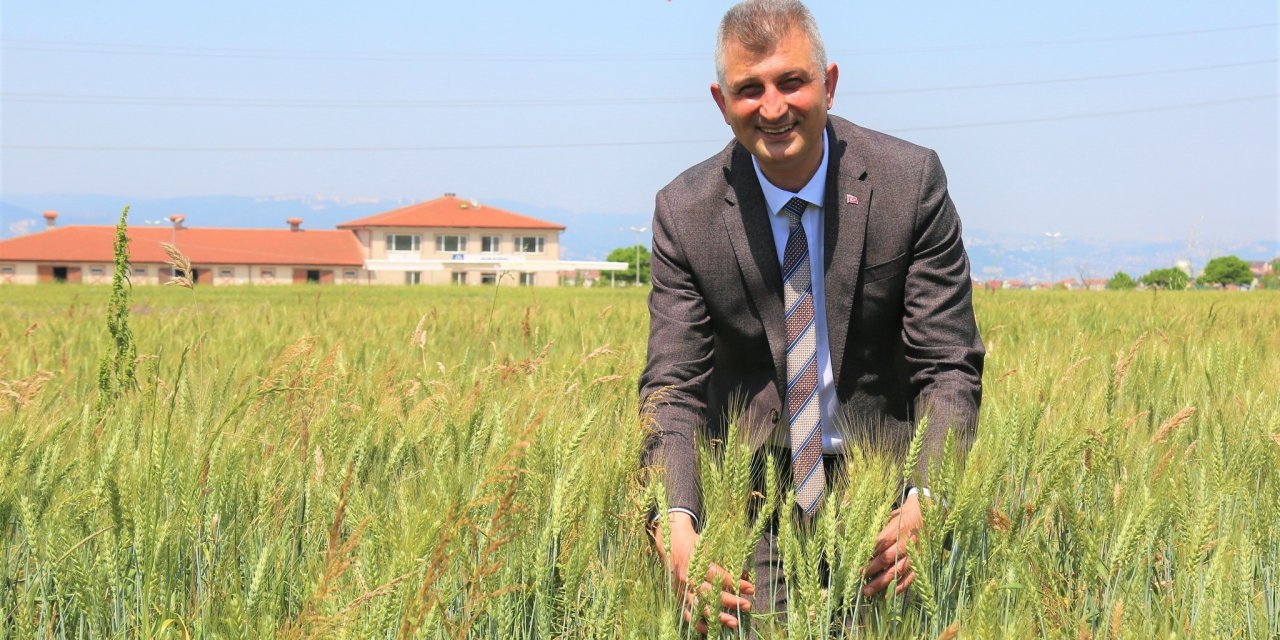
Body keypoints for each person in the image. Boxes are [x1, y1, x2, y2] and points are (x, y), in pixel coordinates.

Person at [639, 0, 985, 631]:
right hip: (751, 489)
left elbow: (949, 366)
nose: (773, 108)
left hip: (886, 478)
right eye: (749, 89)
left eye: (791, 81)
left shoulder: (910, 184)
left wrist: (926, 499)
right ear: (721, 101)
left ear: (827, 82)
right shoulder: (684, 213)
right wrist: (678, 519)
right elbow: (673, 390)